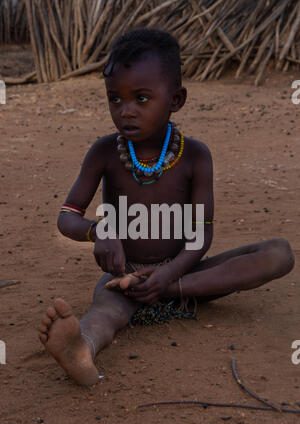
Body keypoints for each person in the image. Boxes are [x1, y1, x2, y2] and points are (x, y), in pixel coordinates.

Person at [38, 29, 295, 386]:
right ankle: (82, 348)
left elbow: (201, 231)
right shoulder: (104, 153)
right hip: (124, 280)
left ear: (176, 99)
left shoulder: (195, 156)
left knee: (278, 253)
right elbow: (67, 217)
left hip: (186, 277)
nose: (125, 111)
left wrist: (168, 277)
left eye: (141, 98)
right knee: (105, 315)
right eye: (115, 99)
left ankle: (165, 293)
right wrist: (99, 231)